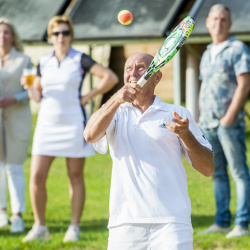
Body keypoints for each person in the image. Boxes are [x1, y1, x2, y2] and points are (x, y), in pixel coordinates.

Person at [84, 52, 214, 249]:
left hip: (172, 223)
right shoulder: (115, 111)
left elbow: (207, 168)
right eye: (128, 68)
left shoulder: (176, 113)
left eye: (141, 67)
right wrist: (116, 99)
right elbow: (89, 135)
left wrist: (186, 135)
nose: (133, 73)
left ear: (157, 77)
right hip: (125, 224)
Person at [21, 16, 118, 243]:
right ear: (50, 37)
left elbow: (110, 77)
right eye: (56, 33)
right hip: (46, 125)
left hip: (74, 123)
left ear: (71, 35)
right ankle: (40, 227)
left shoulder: (80, 59)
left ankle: (74, 227)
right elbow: (37, 95)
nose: (60, 37)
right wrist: (27, 87)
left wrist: (88, 96)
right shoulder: (43, 62)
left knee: (75, 176)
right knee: (36, 176)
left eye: (65, 33)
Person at [197, 4, 250, 238]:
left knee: (239, 172)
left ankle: (242, 224)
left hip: (229, 123)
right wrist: (197, 118)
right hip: (207, 124)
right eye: (215, 19)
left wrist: (229, 117)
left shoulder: (238, 49)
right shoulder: (207, 52)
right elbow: (204, 88)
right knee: (217, 173)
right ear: (208, 22)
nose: (218, 23)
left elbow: (244, 83)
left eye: (223, 20)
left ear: (229, 24)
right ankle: (222, 222)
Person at [0, 18, 32, 233]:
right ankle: (1, 212)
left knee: (14, 166)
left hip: (17, 118)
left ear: (12, 36)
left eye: (6, 32)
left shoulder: (24, 60)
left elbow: (32, 90)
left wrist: (15, 99)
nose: (2, 36)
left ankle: (17, 215)